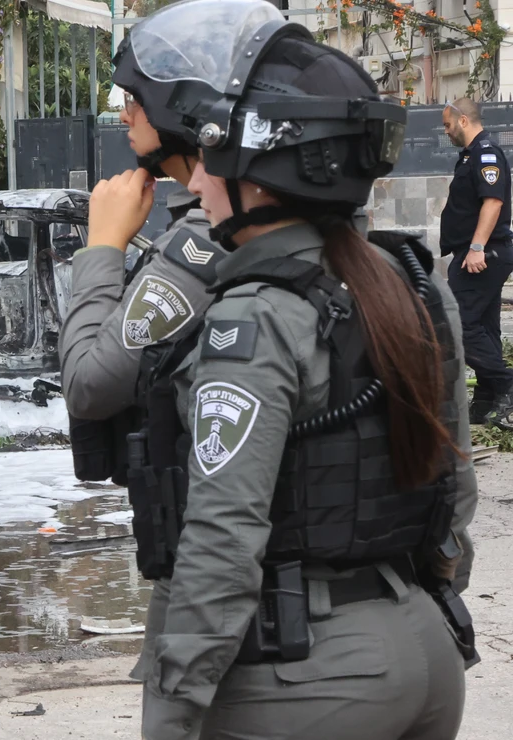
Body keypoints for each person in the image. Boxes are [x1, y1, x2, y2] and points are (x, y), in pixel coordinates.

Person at [90, 1, 478, 737]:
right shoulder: (410, 282)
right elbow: (453, 494)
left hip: (305, 674)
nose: (198, 183)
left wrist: (172, 711)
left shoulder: (256, 315)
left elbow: (222, 539)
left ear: (260, 176)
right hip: (424, 649)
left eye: (214, 162)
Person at [58, 30, 227, 697]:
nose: (124, 112)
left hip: (210, 579)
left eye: (136, 99)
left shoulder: (204, 245)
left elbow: (90, 385)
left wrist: (101, 246)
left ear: (184, 115)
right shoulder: (218, 224)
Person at [440, 97, 513, 426]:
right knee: (484, 327)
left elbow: (493, 202)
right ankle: (487, 400)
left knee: (455, 324)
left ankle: (506, 384)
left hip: (483, 254)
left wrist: (477, 247)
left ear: (463, 121)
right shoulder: (471, 155)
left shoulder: (486, 154)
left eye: (447, 125)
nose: (446, 132)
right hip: (479, 253)